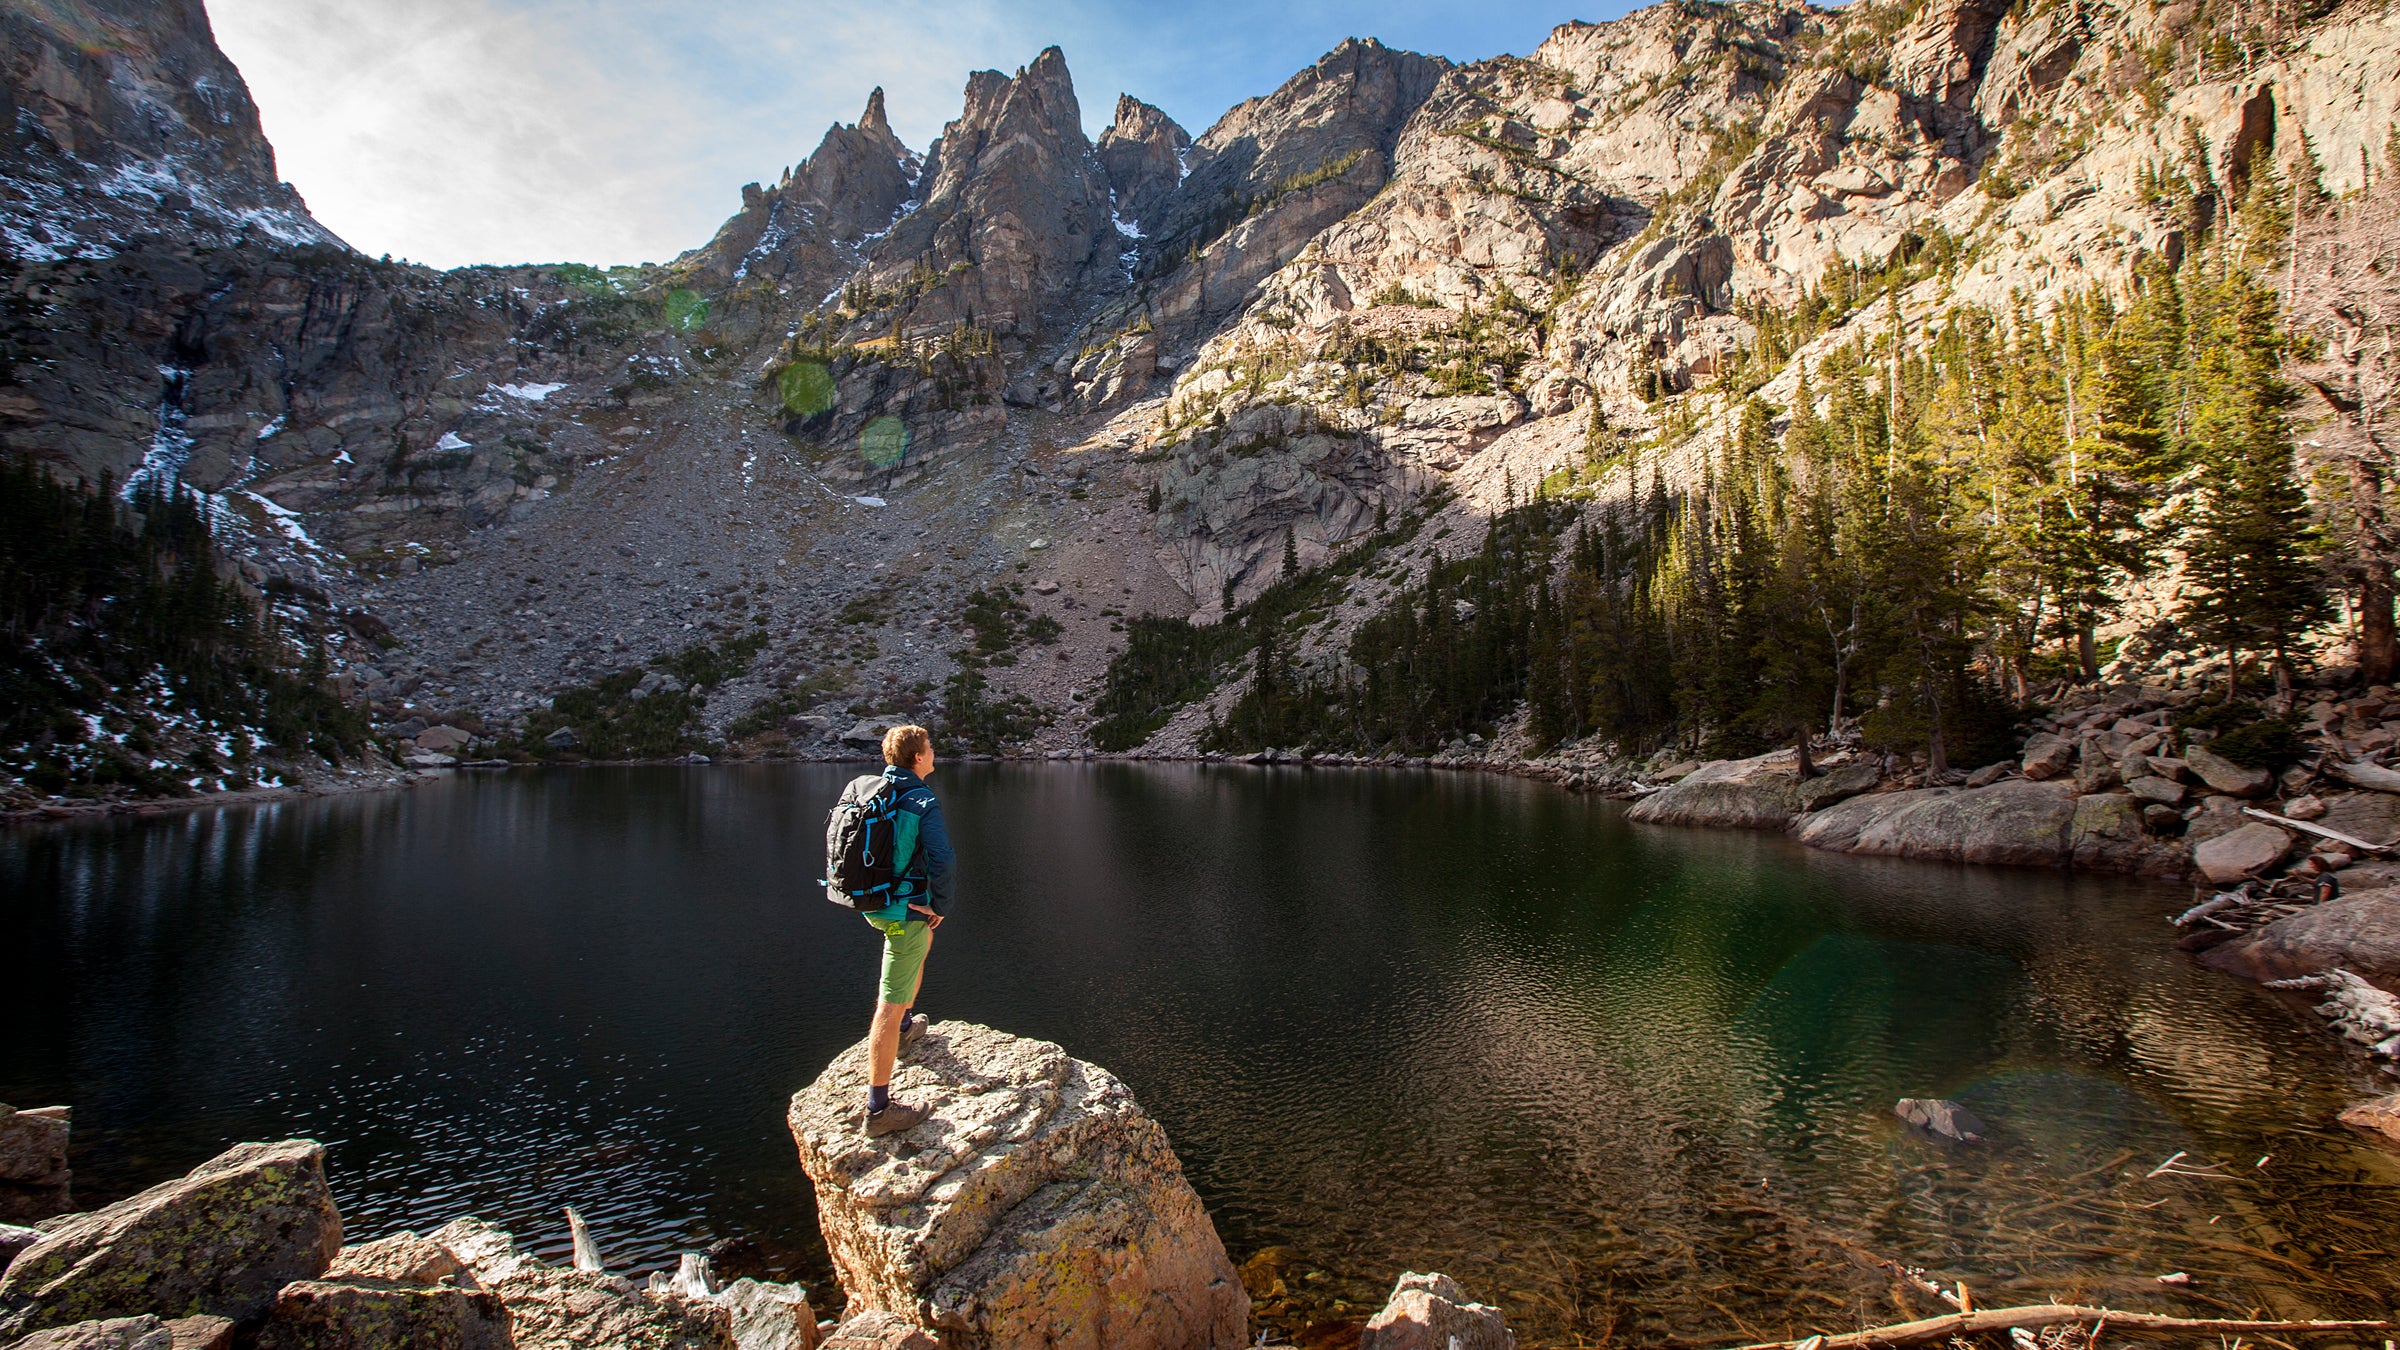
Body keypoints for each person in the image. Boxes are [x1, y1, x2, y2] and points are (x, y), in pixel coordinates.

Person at [859, 723, 954, 1137]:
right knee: (888, 1001)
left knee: (924, 936)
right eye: (930, 748)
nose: (934, 753)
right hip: (901, 909)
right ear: (918, 757)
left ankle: (905, 1028)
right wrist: (940, 904)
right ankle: (878, 1109)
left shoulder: (876, 789)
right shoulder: (920, 798)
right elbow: (943, 859)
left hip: (874, 901)